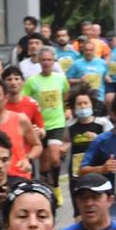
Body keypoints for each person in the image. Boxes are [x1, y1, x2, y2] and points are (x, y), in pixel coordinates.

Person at [27, 46, 73, 183]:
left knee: (54, 157)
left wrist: (67, 108)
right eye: (43, 60)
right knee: (44, 163)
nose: (46, 63)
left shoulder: (60, 79)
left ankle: (57, 185)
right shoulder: (32, 81)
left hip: (57, 123)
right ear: (39, 62)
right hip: (40, 125)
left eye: (49, 60)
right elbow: (25, 100)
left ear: (54, 61)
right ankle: (46, 186)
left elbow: (66, 94)